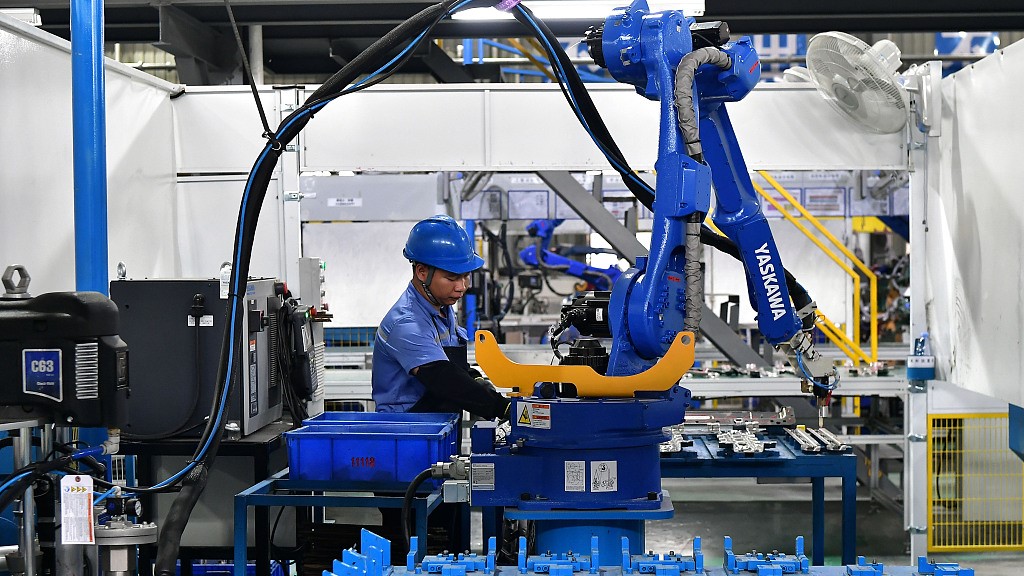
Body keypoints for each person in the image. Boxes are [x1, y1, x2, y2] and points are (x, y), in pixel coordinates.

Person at [372, 215, 510, 420]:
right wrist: (503, 408)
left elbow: (453, 367)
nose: (462, 286)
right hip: (407, 432)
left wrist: (480, 384)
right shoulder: (407, 323)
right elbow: (443, 379)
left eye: (466, 276)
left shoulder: (441, 308)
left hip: (434, 427)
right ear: (421, 271)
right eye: (452, 277)